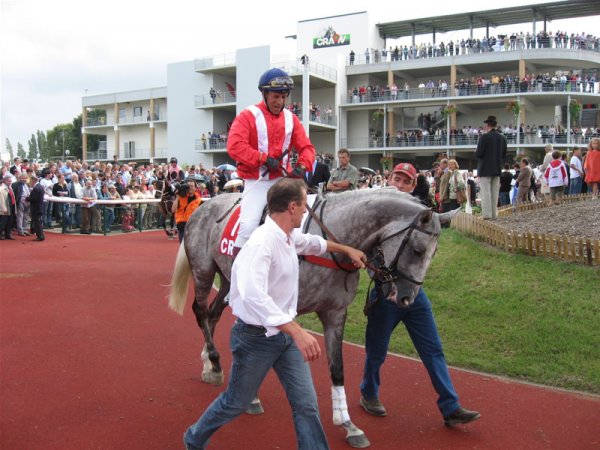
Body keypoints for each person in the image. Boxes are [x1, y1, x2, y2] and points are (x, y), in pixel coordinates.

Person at [183, 178, 366, 450]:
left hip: (283, 338)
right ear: (292, 207)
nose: (307, 211)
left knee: (306, 405)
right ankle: (194, 438)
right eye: (304, 205)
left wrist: (345, 249)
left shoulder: (287, 236)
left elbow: (312, 243)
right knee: (235, 403)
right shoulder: (261, 243)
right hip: (255, 340)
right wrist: (297, 331)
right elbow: (252, 294)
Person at [359, 162, 480, 428]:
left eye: (406, 182)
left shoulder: (421, 216)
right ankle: (368, 393)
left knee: (433, 349)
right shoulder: (374, 215)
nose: (400, 185)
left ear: (414, 186)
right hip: (384, 295)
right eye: (397, 179)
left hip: (415, 296)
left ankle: (450, 406)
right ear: (389, 180)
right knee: (376, 352)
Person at [226, 68, 315, 258]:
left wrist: (302, 165)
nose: (280, 102)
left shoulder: (292, 119)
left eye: (284, 97)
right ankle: (236, 276)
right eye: (276, 96)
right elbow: (234, 146)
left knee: (304, 221)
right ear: (264, 94)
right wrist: (263, 159)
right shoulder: (248, 115)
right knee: (248, 225)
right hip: (257, 182)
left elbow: (307, 148)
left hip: (283, 182)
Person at [476, 115, 507, 219]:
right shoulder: (502, 137)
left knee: (486, 193)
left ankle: (487, 215)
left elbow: (479, 153)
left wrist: (475, 153)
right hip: (497, 168)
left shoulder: (484, 137)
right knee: (495, 193)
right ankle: (494, 214)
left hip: (485, 169)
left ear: (487, 125)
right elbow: (504, 154)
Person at [26, 175, 45, 241]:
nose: (30, 182)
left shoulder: (36, 188)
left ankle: (40, 236)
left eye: (31, 181)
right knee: (38, 222)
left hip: (36, 208)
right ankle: (40, 235)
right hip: (39, 207)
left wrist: (27, 198)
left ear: (34, 181)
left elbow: (34, 199)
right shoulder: (40, 187)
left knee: (37, 223)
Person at [0, 174, 16, 240]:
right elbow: (1, 200)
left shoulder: (10, 187)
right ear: (5, 181)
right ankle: (0, 234)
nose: (10, 182)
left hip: (11, 206)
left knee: (10, 222)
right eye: (9, 181)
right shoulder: (1, 189)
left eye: (11, 181)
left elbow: (13, 197)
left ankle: (8, 234)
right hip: (5, 208)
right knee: (3, 222)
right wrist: (4, 208)